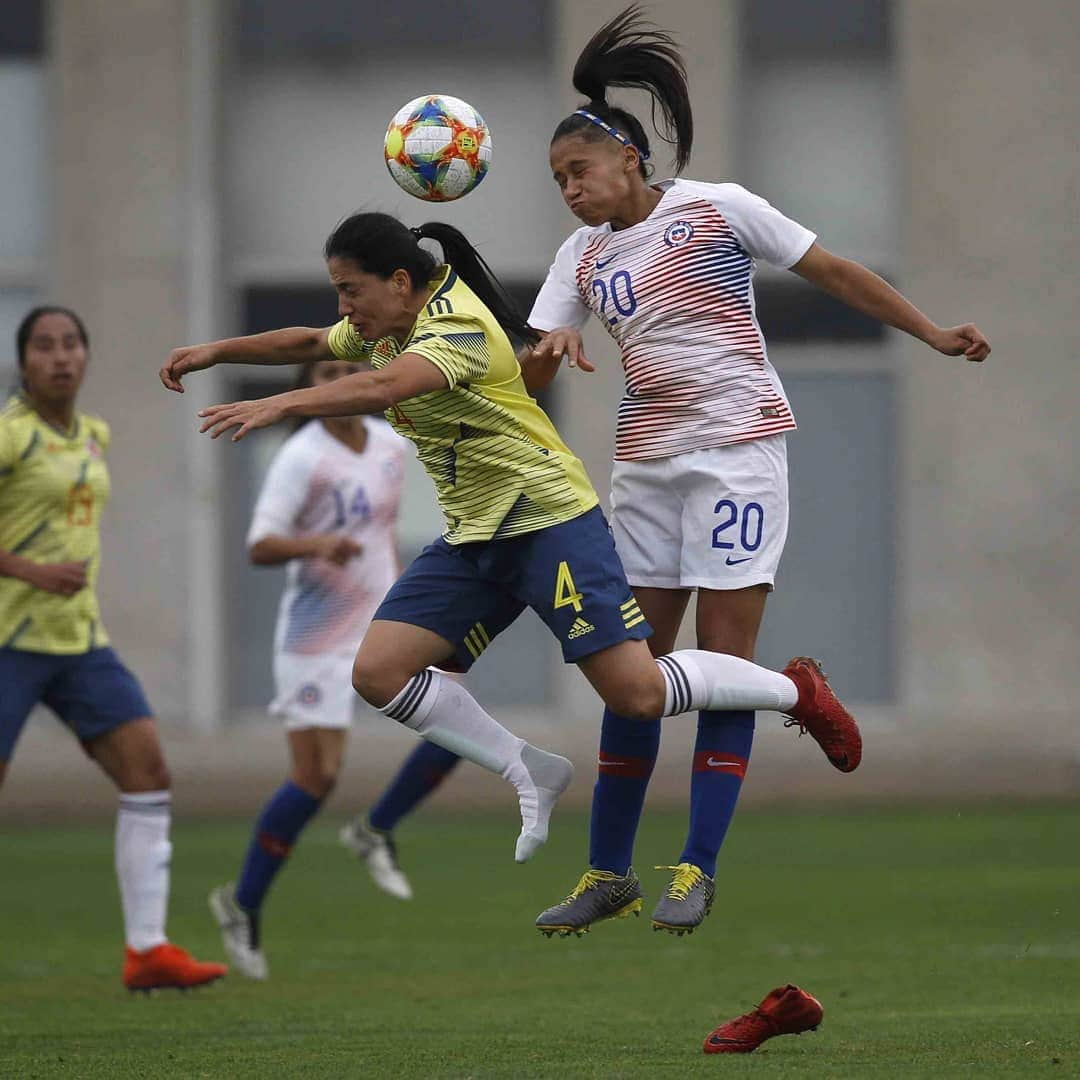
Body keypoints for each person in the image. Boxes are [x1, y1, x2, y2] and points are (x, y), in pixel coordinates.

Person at [159, 210, 861, 874]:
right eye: (338, 291)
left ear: (400, 283)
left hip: (548, 521)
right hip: (475, 534)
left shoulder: (455, 326)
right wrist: (214, 351)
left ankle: (793, 690)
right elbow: (312, 342)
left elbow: (386, 387)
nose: (343, 307)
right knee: (377, 672)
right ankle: (528, 767)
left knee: (640, 695)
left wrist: (280, 403)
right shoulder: (382, 326)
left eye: (351, 289)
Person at [523, 5, 990, 937]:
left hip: (738, 454)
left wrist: (931, 331)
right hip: (644, 468)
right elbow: (540, 357)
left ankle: (695, 866)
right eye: (558, 180)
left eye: (579, 170)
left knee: (721, 666)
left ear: (627, 159)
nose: (569, 191)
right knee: (633, 678)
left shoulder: (718, 207)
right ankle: (608, 872)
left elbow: (835, 272)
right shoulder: (579, 255)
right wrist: (546, 354)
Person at [209, 357, 461, 980]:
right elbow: (259, 545)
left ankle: (376, 827)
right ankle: (242, 903)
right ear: (307, 387)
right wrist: (316, 544)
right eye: (324, 372)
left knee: (457, 720)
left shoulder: (389, 442)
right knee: (315, 777)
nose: (336, 381)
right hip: (315, 637)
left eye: (349, 368)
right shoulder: (301, 456)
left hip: (383, 623)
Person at [0, 306, 227, 991]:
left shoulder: (92, 435)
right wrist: (28, 571)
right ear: (23, 361)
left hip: (78, 643)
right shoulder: (11, 436)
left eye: (72, 344)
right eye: (44, 347)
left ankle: (148, 950)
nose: (60, 357)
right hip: (10, 640)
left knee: (148, 772)